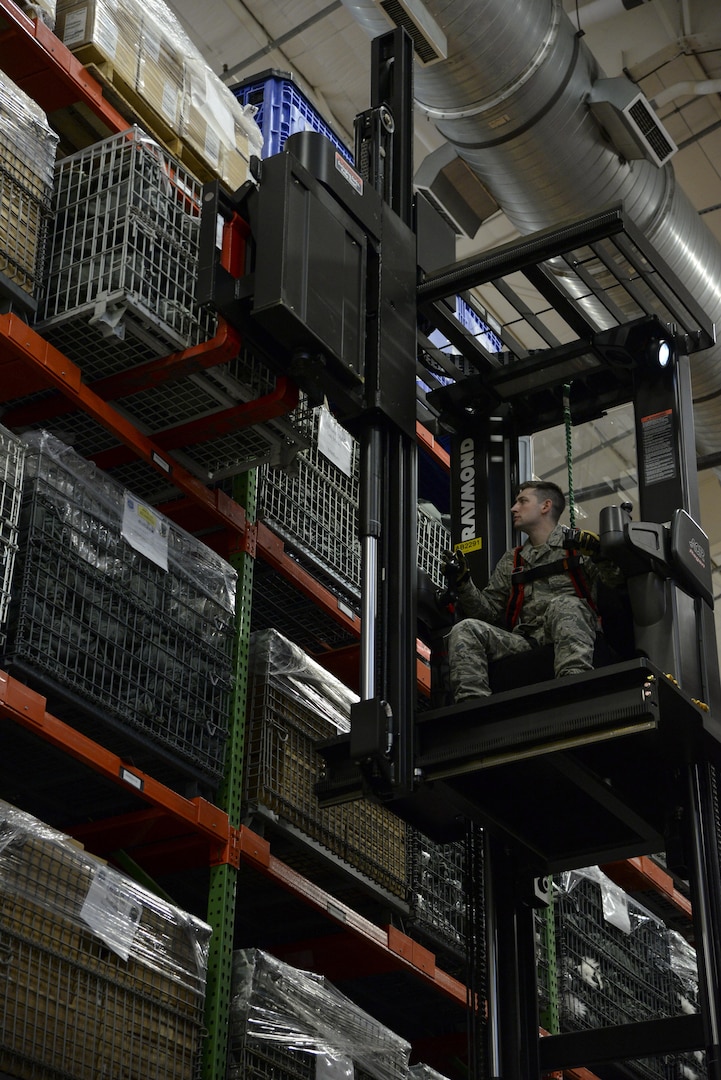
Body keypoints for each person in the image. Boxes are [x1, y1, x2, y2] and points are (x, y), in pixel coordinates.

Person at [441, 479, 624, 702]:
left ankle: (574, 688)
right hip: (525, 642)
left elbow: (614, 585)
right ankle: (473, 708)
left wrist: (599, 554)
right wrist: (463, 583)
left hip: (570, 633)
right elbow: (487, 614)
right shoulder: (513, 560)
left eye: (522, 501)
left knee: (564, 604)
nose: (513, 508)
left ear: (545, 506)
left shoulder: (579, 545)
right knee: (466, 628)